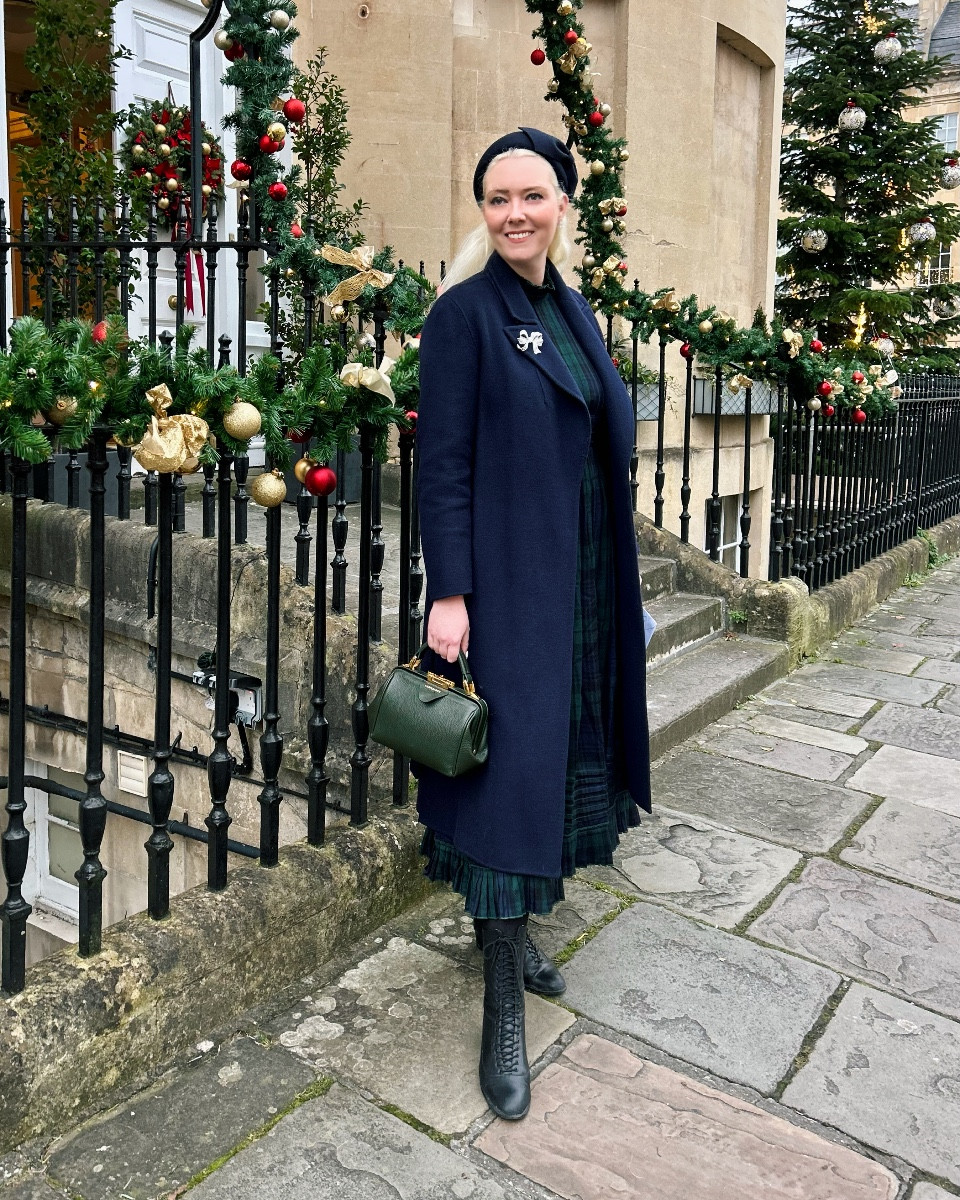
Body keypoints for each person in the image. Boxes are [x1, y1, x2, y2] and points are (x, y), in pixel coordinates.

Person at [415, 127, 652, 1121]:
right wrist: (450, 591)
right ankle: (503, 1005)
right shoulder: (464, 314)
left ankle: (515, 939)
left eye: (532, 195)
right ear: (484, 211)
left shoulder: (572, 307)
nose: (515, 213)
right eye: (498, 198)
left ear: (563, 203)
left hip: (582, 577)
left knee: (547, 776)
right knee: (505, 790)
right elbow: (444, 465)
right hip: (508, 586)